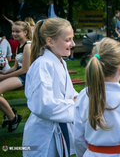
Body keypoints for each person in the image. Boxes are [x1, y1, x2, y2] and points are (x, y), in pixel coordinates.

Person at [22, 18, 78, 157]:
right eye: (68, 40)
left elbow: (69, 93)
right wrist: (76, 105)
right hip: (43, 135)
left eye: (72, 39)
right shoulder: (42, 65)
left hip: (59, 130)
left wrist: (79, 97)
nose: (73, 44)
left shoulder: (61, 62)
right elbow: (43, 105)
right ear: (50, 41)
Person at [0, 21, 32, 132]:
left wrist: (3, 78)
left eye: (17, 31)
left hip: (25, 76)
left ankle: (13, 118)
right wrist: (4, 73)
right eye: (13, 31)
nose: (14, 34)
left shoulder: (28, 46)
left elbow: (24, 69)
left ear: (25, 32)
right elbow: (15, 67)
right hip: (19, 73)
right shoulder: (19, 46)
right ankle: (11, 115)